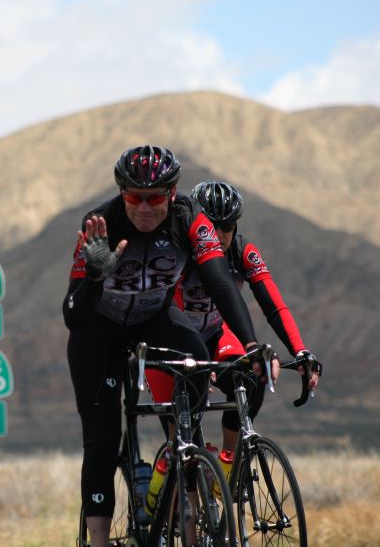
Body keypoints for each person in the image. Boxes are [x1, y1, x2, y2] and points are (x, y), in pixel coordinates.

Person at [63, 145, 273, 546]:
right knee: (103, 439)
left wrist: (249, 342)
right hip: (98, 331)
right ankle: (101, 539)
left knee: (199, 371)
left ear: (172, 193)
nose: (144, 207)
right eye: (134, 197)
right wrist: (93, 277)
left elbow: (220, 281)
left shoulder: (188, 218)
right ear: (121, 193)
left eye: (155, 197)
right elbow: (73, 315)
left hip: (154, 319)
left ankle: (178, 471)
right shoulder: (99, 224)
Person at [146, 180, 321, 463]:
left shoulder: (242, 252)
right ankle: (167, 495)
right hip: (171, 343)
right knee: (183, 447)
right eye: (211, 224)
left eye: (227, 226)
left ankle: (228, 467)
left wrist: (300, 351)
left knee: (251, 377)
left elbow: (274, 306)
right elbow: (170, 310)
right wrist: (194, 357)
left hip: (215, 334)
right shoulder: (178, 253)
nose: (219, 233)